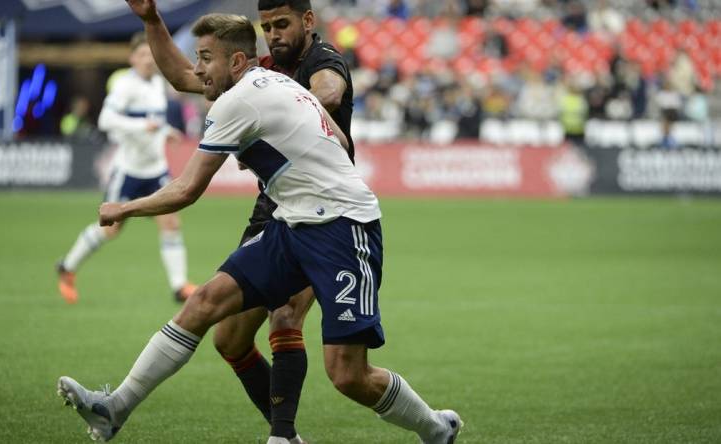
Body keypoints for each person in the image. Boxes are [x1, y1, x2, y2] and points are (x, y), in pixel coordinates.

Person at [56, 13, 462, 444]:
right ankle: (114, 408)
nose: (197, 69)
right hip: (291, 223)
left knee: (348, 375)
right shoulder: (276, 83)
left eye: (205, 58)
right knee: (206, 303)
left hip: (344, 228)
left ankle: (435, 428)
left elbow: (187, 189)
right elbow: (339, 141)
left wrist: (124, 208)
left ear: (235, 62)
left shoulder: (239, 101)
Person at [125, 0, 355, 441]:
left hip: (321, 210)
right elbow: (181, 77)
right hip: (271, 210)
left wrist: (288, 113)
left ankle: (283, 436)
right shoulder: (263, 70)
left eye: (282, 24)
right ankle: (285, 432)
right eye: (266, 26)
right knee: (228, 340)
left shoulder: (322, 61)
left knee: (286, 314)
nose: (274, 34)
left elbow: (329, 91)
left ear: (308, 22)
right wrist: (151, 20)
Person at [56, 32, 198, 304]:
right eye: (142, 55)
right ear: (132, 59)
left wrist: (165, 130)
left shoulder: (157, 83)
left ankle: (179, 286)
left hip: (155, 170)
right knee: (111, 228)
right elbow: (106, 119)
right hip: (129, 172)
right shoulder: (125, 86)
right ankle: (67, 266)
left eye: (150, 55)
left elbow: (153, 121)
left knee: (170, 222)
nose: (148, 60)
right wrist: (142, 126)